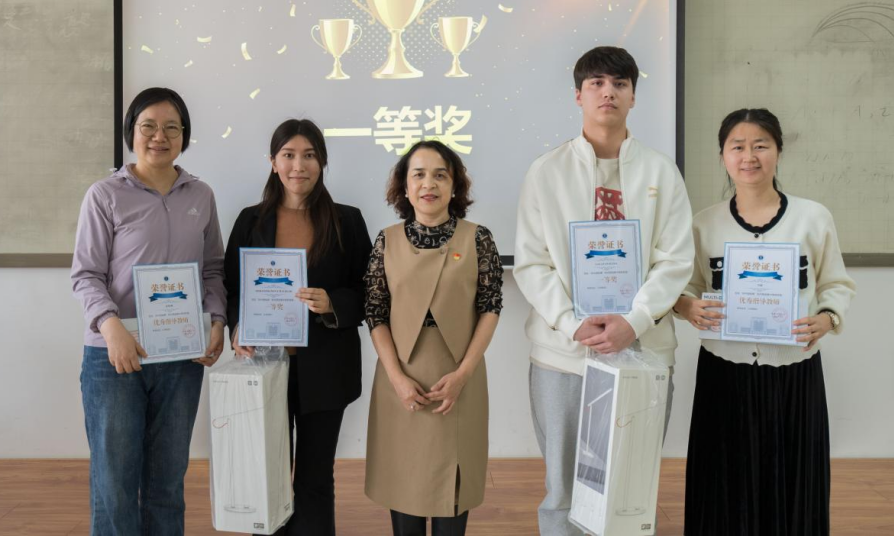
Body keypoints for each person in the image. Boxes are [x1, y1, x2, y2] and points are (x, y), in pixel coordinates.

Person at [514, 46, 695, 535]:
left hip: (644, 350)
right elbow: (532, 263)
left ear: (634, 96)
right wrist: (573, 324)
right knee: (563, 489)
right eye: (596, 83)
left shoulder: (661, 172)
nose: (607, 92)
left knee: (630, 486)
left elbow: (676, 260)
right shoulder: (546, 171)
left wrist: (633, 322)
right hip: (563, 355)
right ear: (578, 95)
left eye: (619, 84)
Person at [674, 108, 856, 536]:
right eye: (737, 146)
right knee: (722, 484)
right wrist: (688, 307)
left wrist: (827, 319)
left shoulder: (813, 217)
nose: (749, 156)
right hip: (724, 371)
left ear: (778, 151)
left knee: (795, 483)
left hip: (794, 370)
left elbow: (836, 284)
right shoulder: (703, 223)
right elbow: (684, 288)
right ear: (723, 155)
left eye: (761, 145)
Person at [72, 86, 227, 536]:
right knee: (114, 484)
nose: (160, 136)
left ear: (184, 136)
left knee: (167, 483)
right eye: (149, 127)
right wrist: (111, 328)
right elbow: (86, 275)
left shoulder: (201, 195)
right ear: (131, 133)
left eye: (171, 128)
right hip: (114, 357)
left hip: (181, 357)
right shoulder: (104, 195)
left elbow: (212, 269)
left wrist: (217, 321)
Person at [225, 119, 371, 536]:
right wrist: (237, 327)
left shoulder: (347, 220)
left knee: (314, 477)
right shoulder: (250, 220)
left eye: (309, 155)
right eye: (288, 155)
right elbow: (232, 288)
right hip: (265, 367)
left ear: (322, 162)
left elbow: (369, 291)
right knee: (265, 475)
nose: (298, 165)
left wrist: (332, 303)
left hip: (325, 369)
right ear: (273, 162)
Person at [364, 140, 504, 536]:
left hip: (459, 377)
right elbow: (375, 313)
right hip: (400, 377)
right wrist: (396, 378)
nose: (429, 184)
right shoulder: (386, 240)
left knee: (453, 492)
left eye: (440, 175)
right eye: (419, 175)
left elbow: (490, 307)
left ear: (455, 185)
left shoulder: (478, 238)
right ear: (405, 187)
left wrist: (462, 375)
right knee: (403, 483)